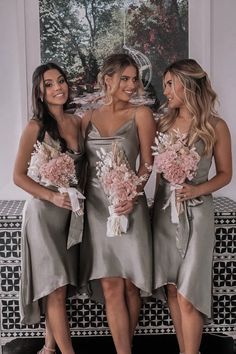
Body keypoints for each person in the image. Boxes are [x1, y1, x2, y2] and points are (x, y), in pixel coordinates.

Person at [152, 58, 232, 354]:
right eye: (165, 86)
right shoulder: (162, 123)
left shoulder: (216, 126)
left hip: (198, 214)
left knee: (188, 293)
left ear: (188, 84)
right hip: (164, 214)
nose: (167, 92)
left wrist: (197, 188)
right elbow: (153, 170)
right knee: (173, 287)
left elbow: (225, 174)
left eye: (171, 85)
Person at [78, 53, 156, 354]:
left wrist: (131, 194)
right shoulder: (87, 117)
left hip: (130, 205)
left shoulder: (141, 115)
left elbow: (148, 164)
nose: (132, 84)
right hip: (97, 209)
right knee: (110, 285)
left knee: (131, 284)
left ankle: (126, 345)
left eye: (134, 78)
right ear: (106, 79)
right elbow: (79, 161)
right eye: (124, 78)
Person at [13, 62, 85, 354]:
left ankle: (48, 347)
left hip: (70, 214)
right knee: (55, 287)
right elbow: (17, 176)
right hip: (44, 214)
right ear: (40, 93)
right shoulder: (35, 127)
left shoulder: (77, 122)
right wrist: (51, 196)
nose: (58, 88)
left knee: (61, 285)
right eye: (50, 84)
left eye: (61, 81)